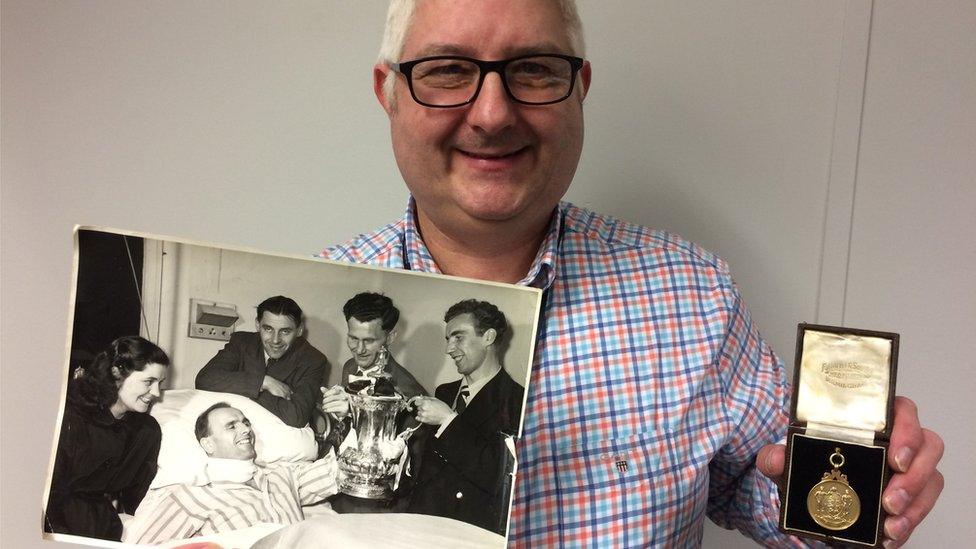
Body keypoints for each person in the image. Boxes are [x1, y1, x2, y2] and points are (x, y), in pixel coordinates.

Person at [322, 1, 944, 546]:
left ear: (580, 87)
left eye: (533, 69)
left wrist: (871, 496)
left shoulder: (695, 293)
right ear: (389, 91)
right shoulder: (319, 292)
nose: (491, 114)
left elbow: (779, 502)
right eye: (449, 70)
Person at [123, 403, 341, 545]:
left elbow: (341, 472)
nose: (245, 430)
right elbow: (142, 545)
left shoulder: (282, 474)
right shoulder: (190, 495)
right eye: (231, 426)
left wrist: (350, 416)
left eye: (245, 423)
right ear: (207, 444)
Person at [407, 299, 523, 534]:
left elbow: (497, 475)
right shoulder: (445, 391)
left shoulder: (517, 400)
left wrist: (448, 421)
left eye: (458, 337)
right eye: (448, 339)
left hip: (466, 530)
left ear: (488, 337)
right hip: (420, 521)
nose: (449, 349)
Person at [45, 335, 170, 541]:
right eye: (149, 382)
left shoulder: (147, 431)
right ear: (116, 373)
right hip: (56, 526)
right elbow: (46, 497)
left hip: (106, 528)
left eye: (160, 383)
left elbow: (137, 497)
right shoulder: (70, 418)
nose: (156, 392)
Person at [195, 295, 329, 428]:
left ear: (299, 330)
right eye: (268, 329)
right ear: (257, 325)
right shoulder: (242, 342)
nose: (275, 340)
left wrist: (244, 389)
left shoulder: (313, 360)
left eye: (285, 331)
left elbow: (296, 417)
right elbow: (205, 379)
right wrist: (263, 382)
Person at [340, 292, 427, 398]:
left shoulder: (406, 389)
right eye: (353, 338)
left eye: (369, 341)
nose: (359, 350)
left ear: (390, 338)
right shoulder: (350, 365)